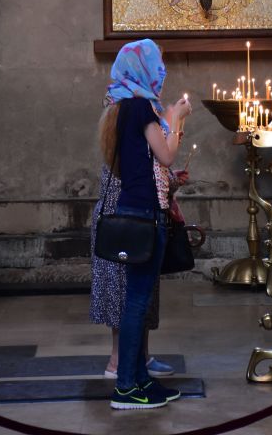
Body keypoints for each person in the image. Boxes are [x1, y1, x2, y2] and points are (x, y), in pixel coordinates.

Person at [98, 39, 191, 410]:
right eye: (158, 65)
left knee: (136, 300)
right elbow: (166, 155)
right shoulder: (141, 108)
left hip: (131, 208)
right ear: (143, 69)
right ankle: (126, 387)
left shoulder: (121, 108)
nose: (161, 72)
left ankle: (139, 380)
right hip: (143, 213)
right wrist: (176, 119)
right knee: (136, 302)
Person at [89, 150, 188, 378]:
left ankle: (141, 356)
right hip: (122, 224)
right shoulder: (126, 129)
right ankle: (118, 360)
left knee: (142, 291)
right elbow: (139, 178)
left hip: (137, 220)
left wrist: (169, 179)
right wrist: (170, 179)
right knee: (123, 294)